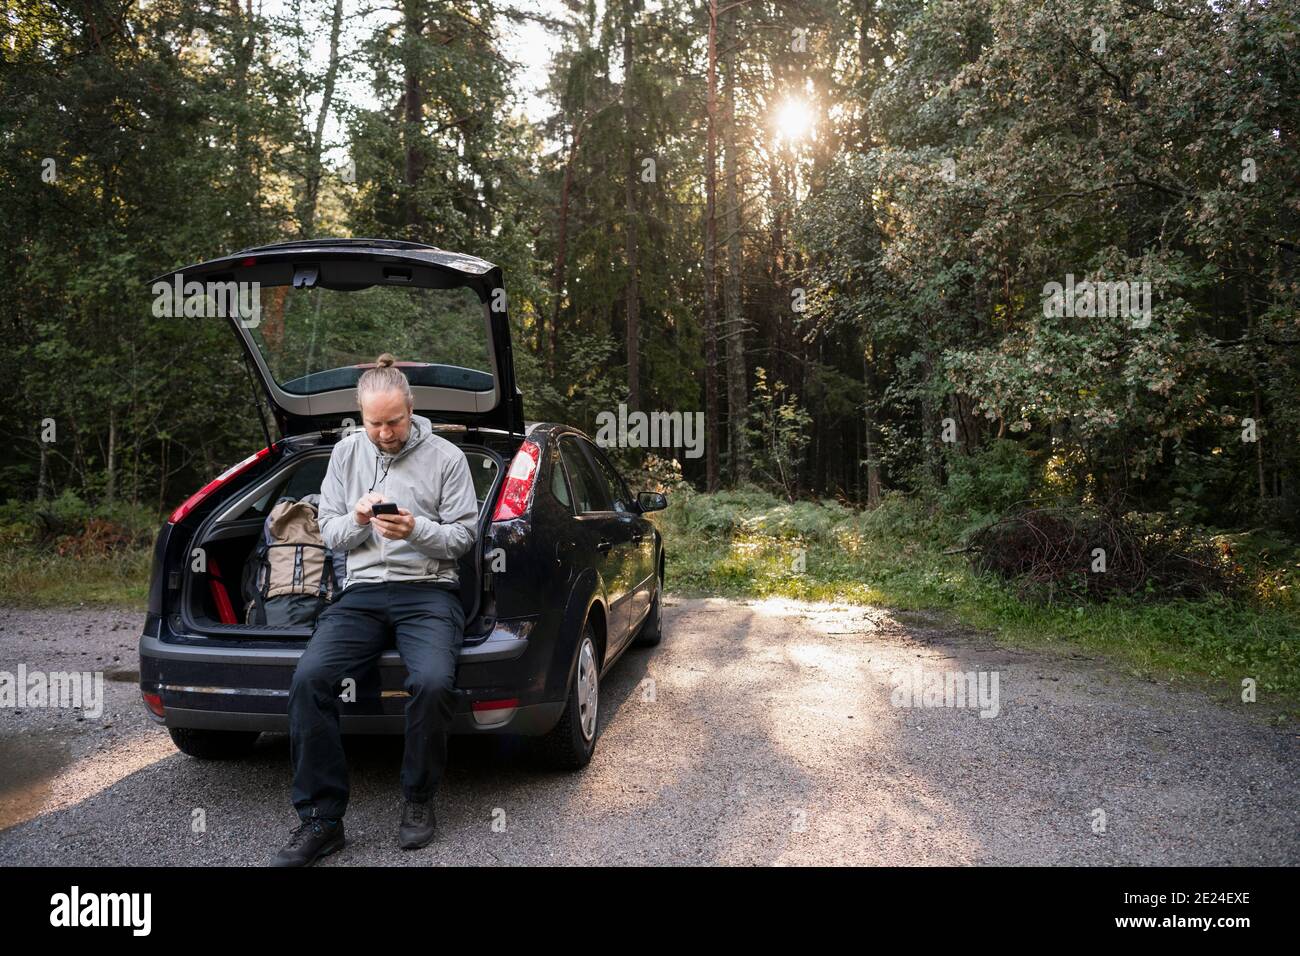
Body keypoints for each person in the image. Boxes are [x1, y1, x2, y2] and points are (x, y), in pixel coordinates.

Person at [272, 353, 479, 866]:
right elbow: (331, 533)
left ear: (412, 408)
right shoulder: (345, 454)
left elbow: (463, 538)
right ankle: (321, 820)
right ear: (359, 416)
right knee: (309, 679)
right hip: (361, 593)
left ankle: (417, 799)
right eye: (374, 423)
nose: (385, 434)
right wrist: (360, 517)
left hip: (428, 591)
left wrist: (416, 531)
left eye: (394, 421)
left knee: (432, 683)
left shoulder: (447, 458)